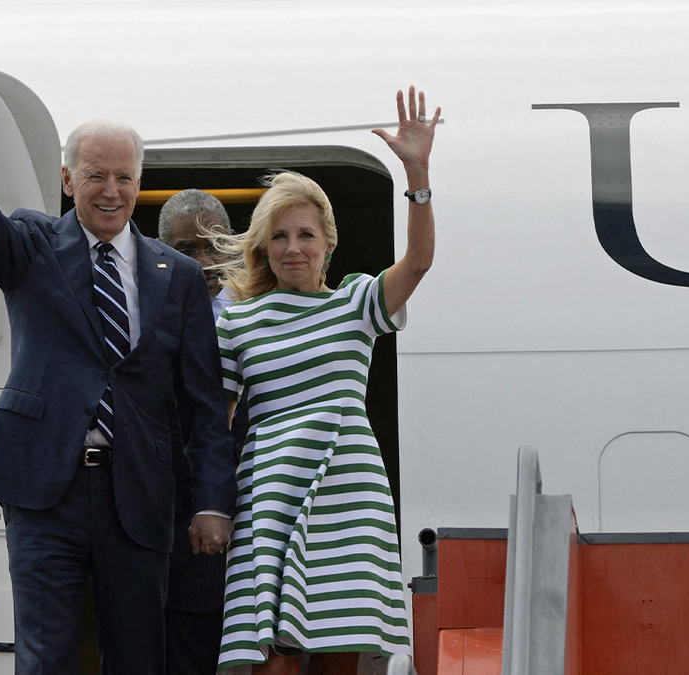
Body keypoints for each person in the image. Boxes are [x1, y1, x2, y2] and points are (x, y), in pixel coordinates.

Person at [0, 37, 237, 675]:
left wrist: (210, 502)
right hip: (43, 487)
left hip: (141, 493)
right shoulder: (32, 245)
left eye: (123, 177)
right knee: (45, 657)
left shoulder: (176, 276)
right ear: (69, 178)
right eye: (96, 175)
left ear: (139, 183)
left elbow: (203, 404)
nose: (110, 190)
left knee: (139, 657)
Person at [212, 87, 439, 675]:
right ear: (264, 245)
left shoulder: (357, 303)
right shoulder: (237, 319)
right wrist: (212, 504)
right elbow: (220, 423)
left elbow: (417, 262)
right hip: (269, 493)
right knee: (273, 659)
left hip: (349, 494)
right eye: (281, 236)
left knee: (342, 650)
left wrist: (417, 174)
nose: (293, 248)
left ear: (328, 243)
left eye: (306, 235)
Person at [157, 190, 247, 675]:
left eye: (214, 244)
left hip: (256, 507)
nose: (204, 260)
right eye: (186, 249)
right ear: (160, 249)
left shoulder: (265, 308)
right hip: (179, 517)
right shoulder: (147, 312)